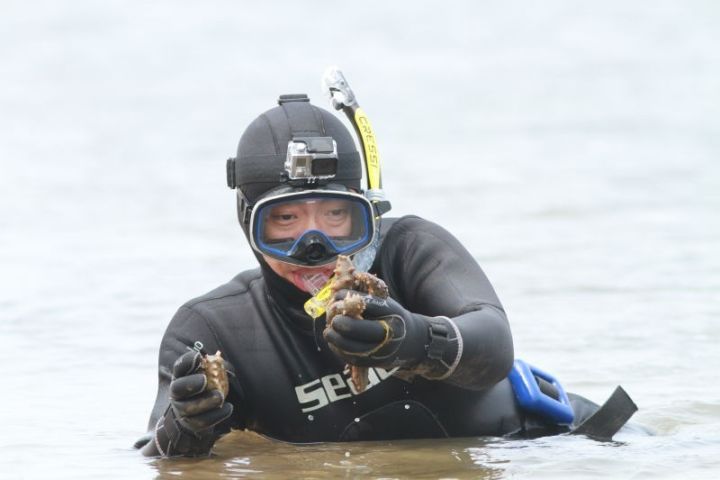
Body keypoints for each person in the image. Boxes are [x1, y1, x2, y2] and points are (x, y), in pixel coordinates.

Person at [135, 94, 611, 458]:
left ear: (365, 213)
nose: (314, 247)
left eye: (336, 215)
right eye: (286, 220)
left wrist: (413, 340)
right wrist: (189, 423)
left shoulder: (409, 249)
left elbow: (494, 343)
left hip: (563, 448)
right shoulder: (215, 330)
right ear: (249, 222)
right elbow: (156, 455)